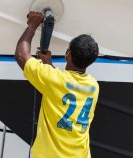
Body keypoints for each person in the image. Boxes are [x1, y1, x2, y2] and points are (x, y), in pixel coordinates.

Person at [15, 11, 99, 158]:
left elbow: (21, 55)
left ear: (68, 54)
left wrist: (33, 24)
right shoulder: (93, 86)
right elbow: (64, 87)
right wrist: (50, 66)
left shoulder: (53, 80)